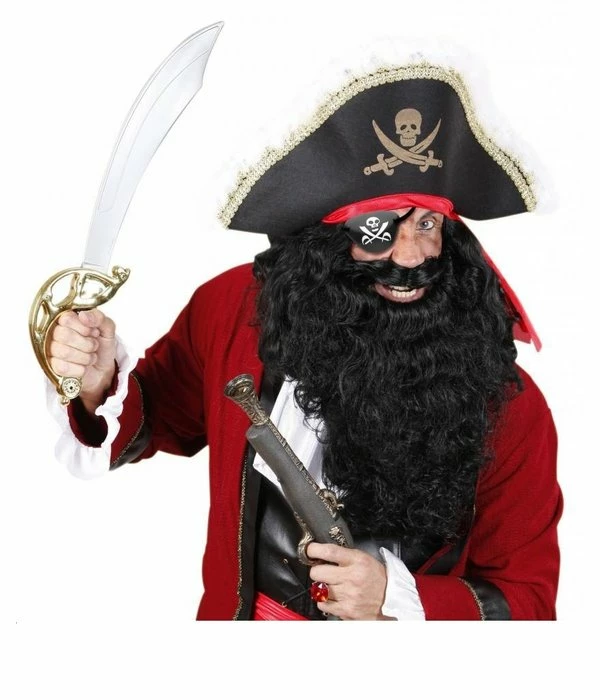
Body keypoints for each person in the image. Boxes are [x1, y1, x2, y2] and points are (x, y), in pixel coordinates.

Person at [45, 48, 562, 620]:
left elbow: (528, 603)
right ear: (327, 242)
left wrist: (397, 600)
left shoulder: (508, 406)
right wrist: (97, 382)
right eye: (378, 230)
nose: (411, 256)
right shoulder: (233, 309)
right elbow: (158, 418)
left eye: (427, 224)